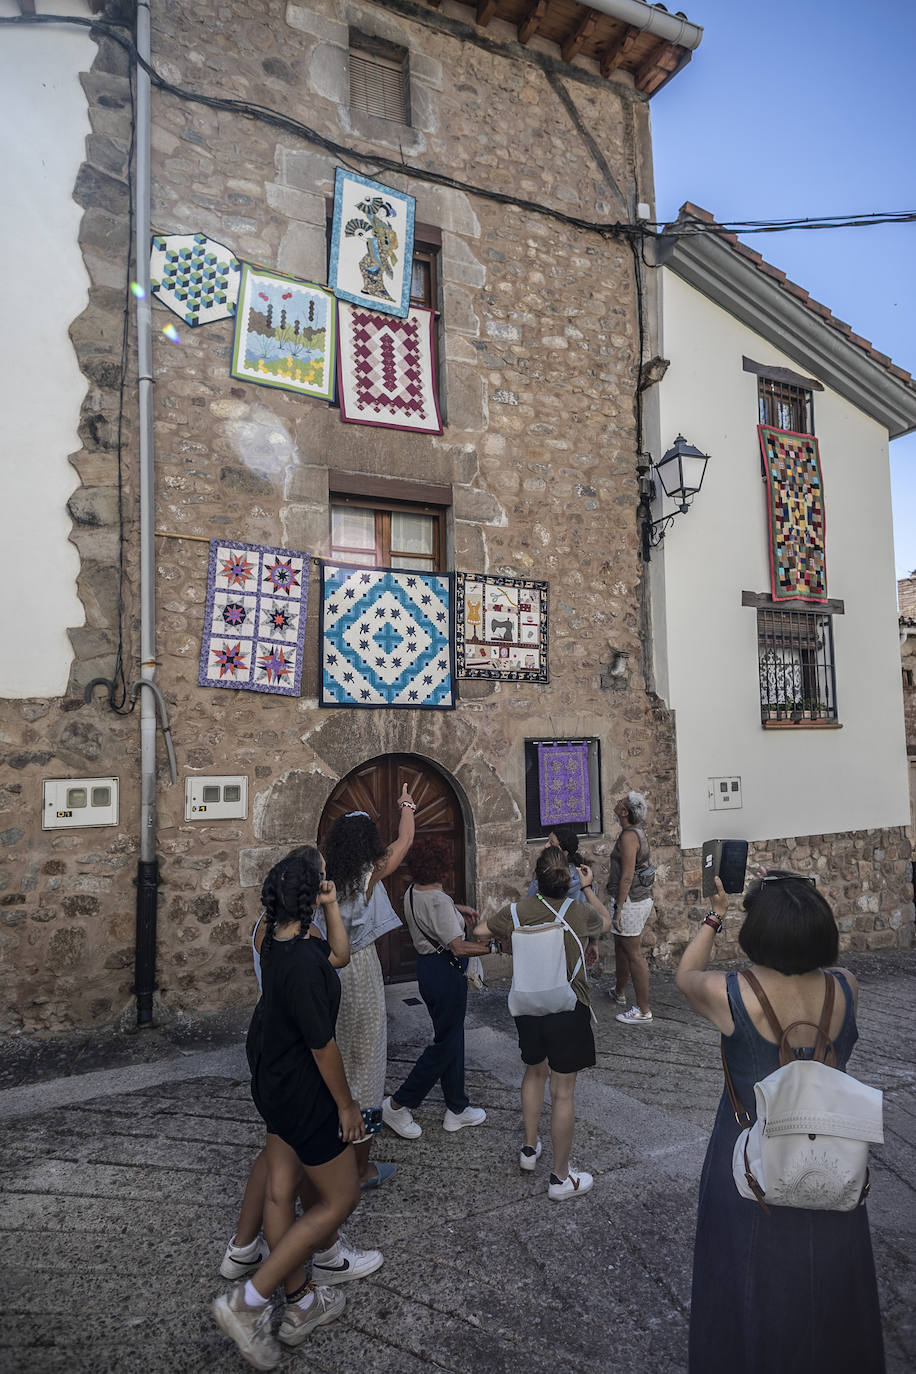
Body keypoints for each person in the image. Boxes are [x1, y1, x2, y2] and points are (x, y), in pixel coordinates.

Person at [675, 872, 884, 1374]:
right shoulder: (845, 987)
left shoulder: (732, 993)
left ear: (760, 934)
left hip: (750, 1155)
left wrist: (715, 914)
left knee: (745, 1275)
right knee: (831, 1283)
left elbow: (685, 976)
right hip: (832, 1156)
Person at [212, 847, 367, 1370]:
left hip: (271, 1078)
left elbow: (340, 956)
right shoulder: (302, 962)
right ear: (308, 892)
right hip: (304, 1090)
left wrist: (327, 907)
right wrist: (345, 1106)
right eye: (323, 879)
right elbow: (323, 1046)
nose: (330, 881)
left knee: (281, 1188)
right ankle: (248, 1302)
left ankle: (300, 1303)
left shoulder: (276, 939)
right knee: (338, 1199)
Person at [475, 846, 611, 1200]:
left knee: (533, 1072)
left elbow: (479, 931)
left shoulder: (518, 911)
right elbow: (606, 923)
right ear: (567, 881)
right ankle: (561, 1178)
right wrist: (589, 888)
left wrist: (507, 942)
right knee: (563, 1092)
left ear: (536, 877)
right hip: (568, 1007)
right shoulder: (580, 912)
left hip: (529, 1005)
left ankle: (529, 1148)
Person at [319, 786, 416, 1188]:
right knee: (369, 1065)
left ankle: (327, 1157)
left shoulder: (320, 879)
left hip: (327, 973)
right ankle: (359, 1169)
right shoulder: (368, 875)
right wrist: (405, 805)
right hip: (360, 971)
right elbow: (404, 841)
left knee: (333, 1062)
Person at [383, 836, 490, 1138]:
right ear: (442, 868)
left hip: (427, 970)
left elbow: (433, 912)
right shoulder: (439, 901)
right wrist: (492, 947)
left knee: (451, 1038)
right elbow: (458, 947)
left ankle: (457, 1108)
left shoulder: (412, 892)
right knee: (445, 1045)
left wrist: (457, 909)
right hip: (445, 972)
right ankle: (398, 1103)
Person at [606, 790, 655, 1023]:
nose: (617, 802)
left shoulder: (628, 837)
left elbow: (626, 876)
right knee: (622, 947)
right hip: (633, 898)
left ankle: (643, 1010)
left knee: (633, 953)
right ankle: (619, 992)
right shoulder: (633, 832)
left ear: (624, 812)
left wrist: (618, 909)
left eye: (621, 802)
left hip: (630, 901)